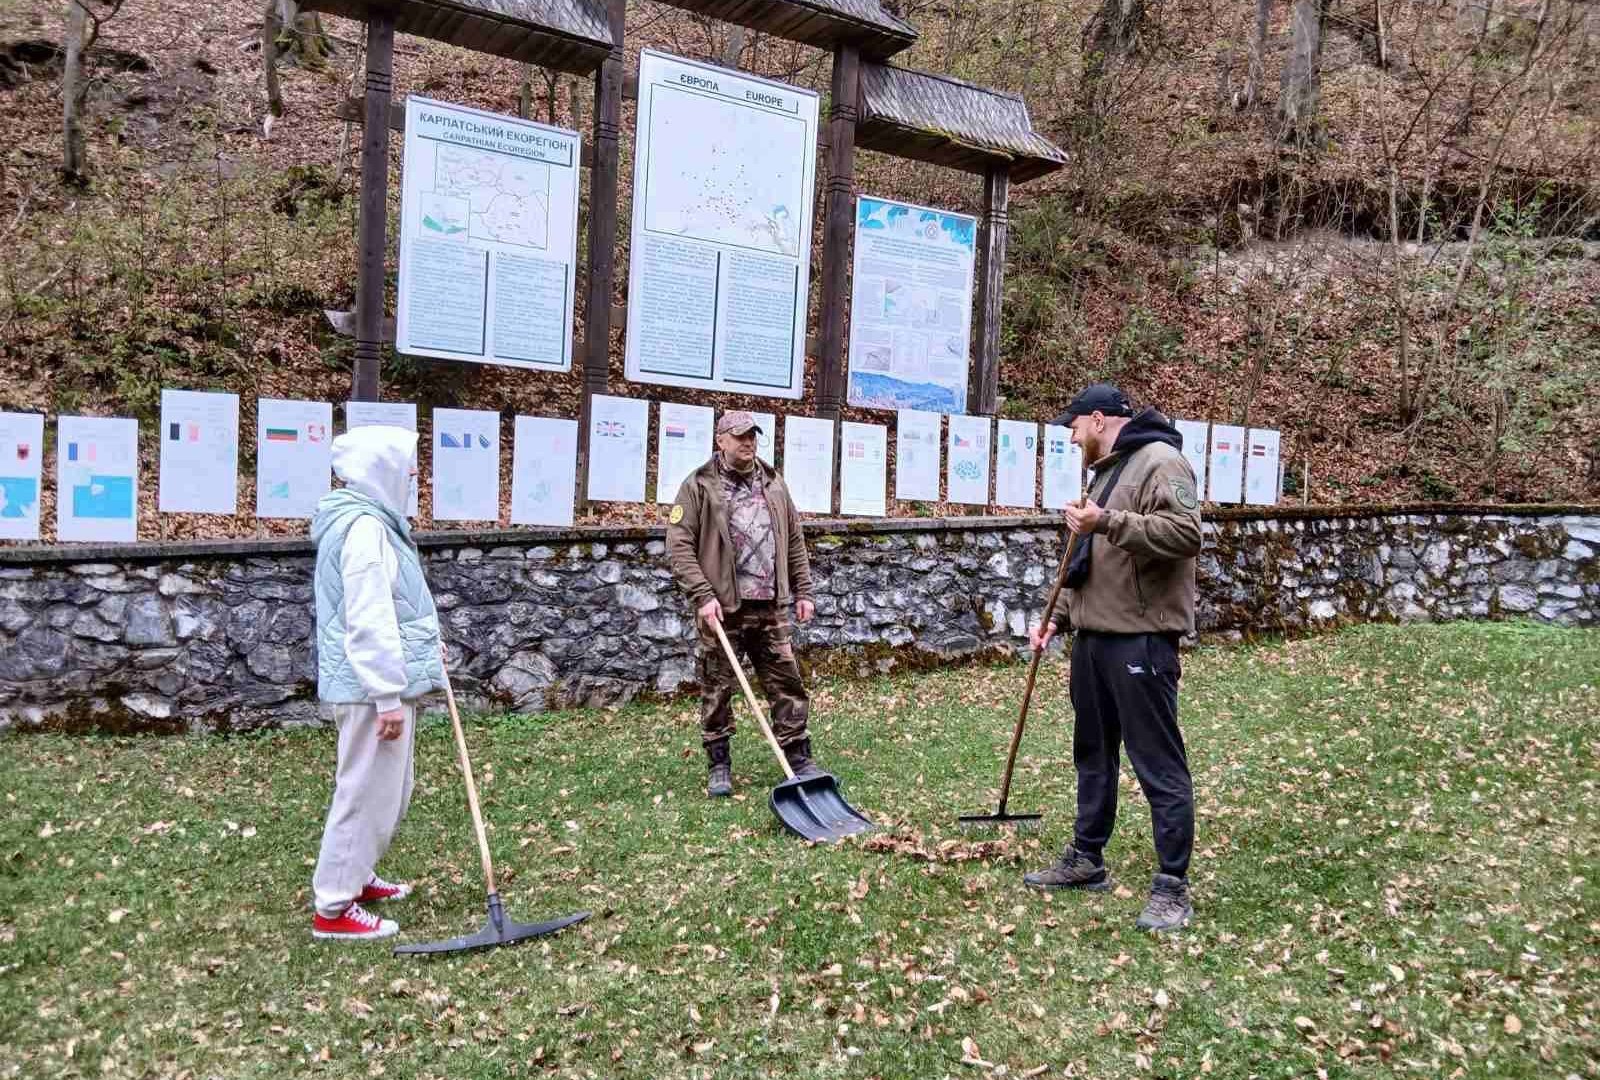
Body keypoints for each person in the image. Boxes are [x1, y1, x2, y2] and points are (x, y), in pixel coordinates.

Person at [1024, 383, 1203, 933]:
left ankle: (1173, 886)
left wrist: (1106, 522)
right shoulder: (1107, 471)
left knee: (1157, 762)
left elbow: (1184, 534)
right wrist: (1061, 616)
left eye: (1074, 427)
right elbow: (1091, 562)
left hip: (1142, 640)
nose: (1072, 436)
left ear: (1098, 419)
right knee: (1093, 753)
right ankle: (1086, 858)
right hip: (1094, 639)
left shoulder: (1160, 461)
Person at [307, 425, 446, 941]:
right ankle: (334, 907)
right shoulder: (363, 529)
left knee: (389, 789)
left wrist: (425, 648)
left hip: (379, 683)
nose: (414, 476)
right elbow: (366, 618)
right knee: (365, 792)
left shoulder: (374, 524)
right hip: (372, 690)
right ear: (380, 470)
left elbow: (396, 608)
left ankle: (357, 874)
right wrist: (387, 693)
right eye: (407, 467)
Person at [666, 411, 822, 797]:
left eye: (753, 435)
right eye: (739, 436)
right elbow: (679, 546)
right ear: (721, 440)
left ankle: (798, 755)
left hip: (770, 606)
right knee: (717, 687)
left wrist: (803, 591)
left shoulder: (773, 484)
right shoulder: (699, 486)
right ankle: (719, 762)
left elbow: (794, 540)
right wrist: (702, 595)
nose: (748, 442)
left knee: (787, 683)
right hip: (723, 608)